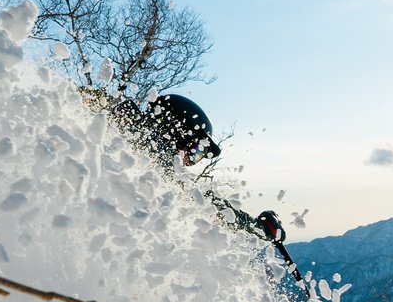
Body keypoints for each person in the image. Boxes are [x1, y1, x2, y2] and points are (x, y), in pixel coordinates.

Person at [119, 93, 284, 243]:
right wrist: (257, 227)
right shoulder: (149, 149)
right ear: (177, 130)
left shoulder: (130, 138)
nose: (188, 161)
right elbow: (205, 202)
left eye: (197, 155)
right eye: (196, 150)